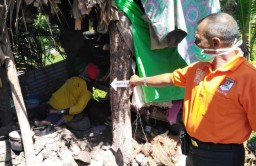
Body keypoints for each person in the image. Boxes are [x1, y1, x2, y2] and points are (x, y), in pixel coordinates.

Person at [129, 12, 256, 166]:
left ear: (215, 43)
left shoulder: (248, 78)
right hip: (193, 150)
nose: (194, 44)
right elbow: (170, 78)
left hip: (223, 158)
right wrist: (140, 81)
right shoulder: (199, 68)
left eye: (197, 40)